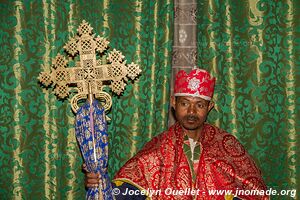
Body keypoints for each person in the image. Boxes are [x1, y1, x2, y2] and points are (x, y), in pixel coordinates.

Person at [84, 68, 268, 200]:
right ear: (173, 102)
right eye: (185, 103)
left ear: (209, 107)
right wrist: (100, 183)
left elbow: (255, 191)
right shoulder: (157, 149)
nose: (191, 111)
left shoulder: (227, 145)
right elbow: (127, 191)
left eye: (200, 105)